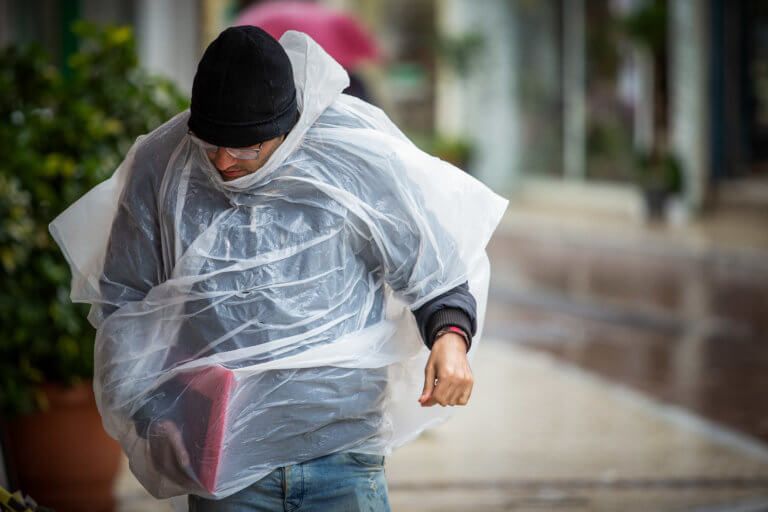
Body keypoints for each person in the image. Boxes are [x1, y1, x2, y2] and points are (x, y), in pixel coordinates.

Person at [51, 26, 506, 510]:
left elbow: (432, 267)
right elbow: (125, 304)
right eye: (210, 144)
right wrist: (153, 415)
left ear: (286, 129)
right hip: (225, 467)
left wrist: (450, 338)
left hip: (342, 456)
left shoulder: (350, 159)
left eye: (247, 149)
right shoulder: (163, 166)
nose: (224, 162)